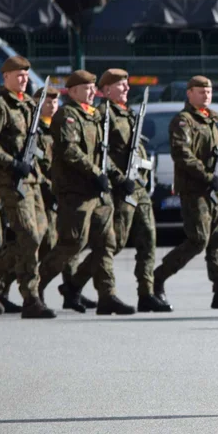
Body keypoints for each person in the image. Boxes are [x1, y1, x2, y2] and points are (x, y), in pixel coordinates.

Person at [70, 70, 171, 312]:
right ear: (105, 90)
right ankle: (74, 284)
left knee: (148, 239)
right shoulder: (104, 114)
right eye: (120, 86)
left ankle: (146, 293)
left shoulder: (127, 113)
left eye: (126, 85)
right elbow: (101, 153)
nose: (126, 89)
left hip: (139, 186)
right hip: (120, 188)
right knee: (115, 243)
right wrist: (118, 177)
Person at [37, 70, 133, 315]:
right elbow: (70, 151)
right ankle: (34, 287)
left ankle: (107, 296)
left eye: (93, 88)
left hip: (98, 192)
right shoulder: (67, 116)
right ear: (72, 91)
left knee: (106, 243)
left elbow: (102, 156)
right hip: (76, 191)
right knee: (72, 243)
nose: (92, 92)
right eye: (86, 88)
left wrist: (119, 179)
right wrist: (95, 173)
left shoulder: (93, 116)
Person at [0, 56, 54, 318]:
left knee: (39, 237)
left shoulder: (29, 104)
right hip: (9, 181)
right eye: (18, 75)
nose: (24, 79)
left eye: (26, 75)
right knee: (29, 235)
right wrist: (12, 162)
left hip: (32, 180)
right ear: (5, 77)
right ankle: (31, 298)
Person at [151, 76, 218, 310]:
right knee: (198, 240)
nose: (206, 95)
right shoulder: (183, 121)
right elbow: (182, 155)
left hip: (216, 190)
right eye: (201, 91)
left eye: (209, 91)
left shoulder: (214, 119)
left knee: (217, 242)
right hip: (195, 191)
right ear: (190, 93)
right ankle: (159, 276)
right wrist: (207, 177)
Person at [0, 87, 84, 312]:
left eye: (56, 101)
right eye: (47, 101)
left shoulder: (58, 128)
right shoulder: (36, 130)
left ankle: (66, 290)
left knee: (53, 241)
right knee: (35, 240)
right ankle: (0, 284)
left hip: (54, 192)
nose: (52, 105)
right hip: (39, 191)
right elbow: (40, 166)